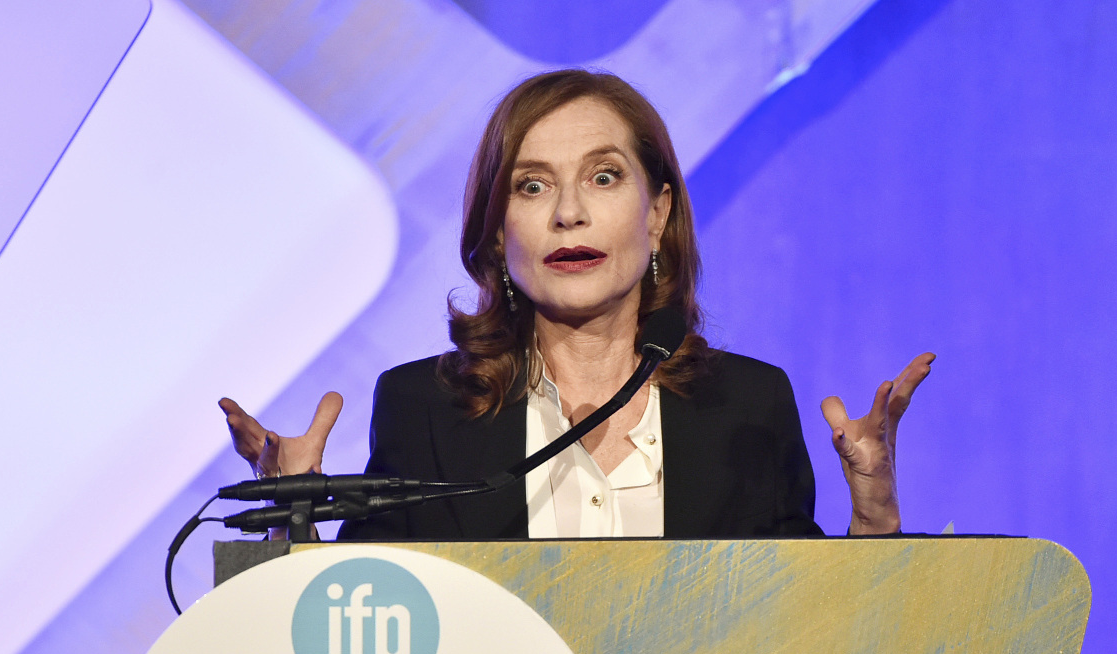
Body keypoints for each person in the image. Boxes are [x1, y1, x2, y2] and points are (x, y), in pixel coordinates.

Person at [220, 70, 933, 539]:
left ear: (657, 215)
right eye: (531, 186)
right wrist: (293, 518)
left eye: (603, 177)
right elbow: (369, 644)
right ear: (498, 232)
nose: (568, 212)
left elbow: (811, 638)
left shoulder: (748, 407)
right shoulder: (425, 409)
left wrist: (874, 513)